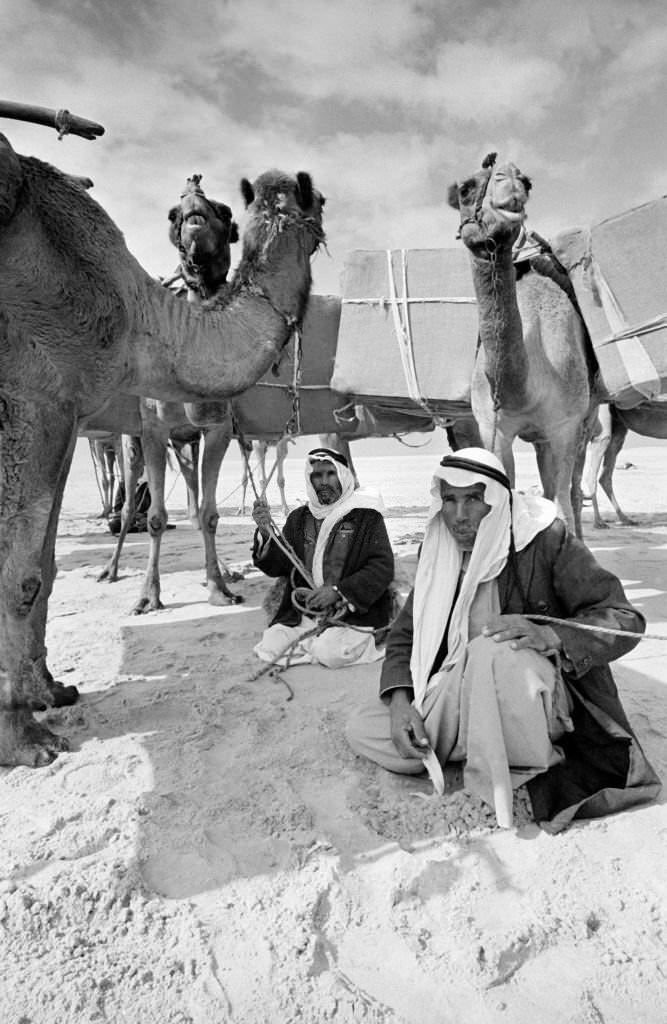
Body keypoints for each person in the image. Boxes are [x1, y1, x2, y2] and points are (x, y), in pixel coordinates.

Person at [346, 448, 660, 832]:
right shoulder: (438, 548)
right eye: (449, 500)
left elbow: (625, 619)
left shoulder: (544, 540)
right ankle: (479, 745)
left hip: (538, 700)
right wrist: (399, 702)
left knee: (492, 647)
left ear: (496, 501)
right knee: (364, 726)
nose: (459, 515)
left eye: (473, 499)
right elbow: (405, 635)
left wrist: (552, 635)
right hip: (460, 689)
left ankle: (505, 766)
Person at [251, 447, 394, 669]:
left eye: (330, 473)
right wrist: (266, 532)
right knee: (271, 643)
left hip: (350, 613)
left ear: (343, 475)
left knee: (330, 652)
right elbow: (279, 565)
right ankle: (313, 642)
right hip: (305, 613)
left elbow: (381, 567)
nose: (323, 481)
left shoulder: (367, 517)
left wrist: (338, 592)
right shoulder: (298, 518)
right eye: (317, 475)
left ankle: (316, 645)